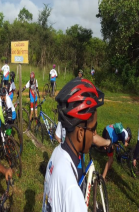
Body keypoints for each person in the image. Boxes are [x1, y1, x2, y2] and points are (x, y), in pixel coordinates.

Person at [42, 78, 104, 212]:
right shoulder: (72, 191)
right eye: (93, 129)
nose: (94, 134)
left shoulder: (57, 153)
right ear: (80, 133)